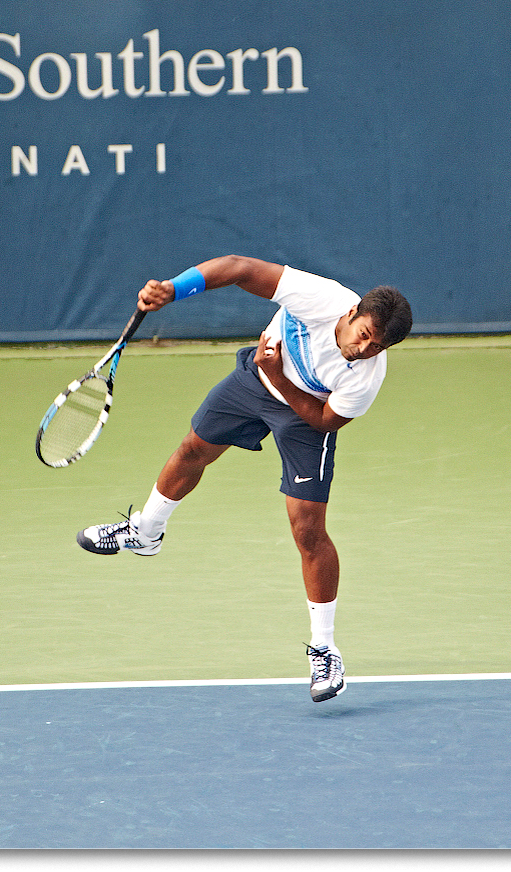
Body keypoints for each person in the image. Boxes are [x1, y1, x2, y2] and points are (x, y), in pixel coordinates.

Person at [77, 255, 413, 702]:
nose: (364, 349)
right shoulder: (320, 298)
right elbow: (237, 268)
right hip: (254, 380)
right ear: (351, 315)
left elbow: (324, 422)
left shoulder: (366, 377)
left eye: (378, 347)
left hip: (304, 413)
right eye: (364, 336)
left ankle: (325, 649)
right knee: (192, 449)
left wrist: (280, 376)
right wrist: (174, 290)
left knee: (308, 529)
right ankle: (145, 531)